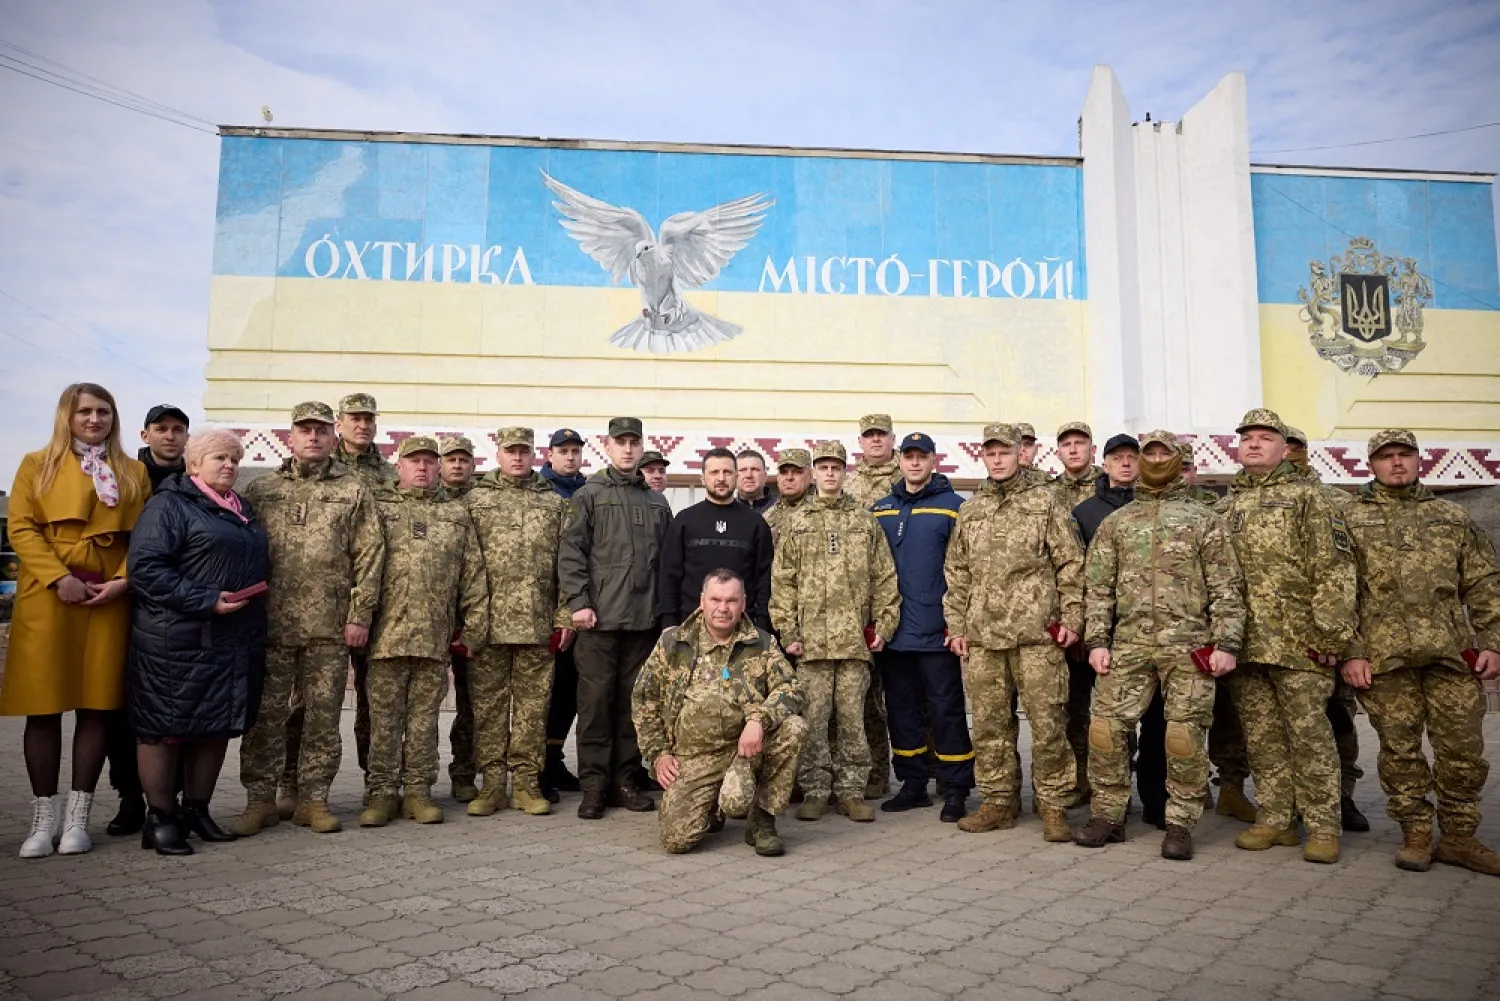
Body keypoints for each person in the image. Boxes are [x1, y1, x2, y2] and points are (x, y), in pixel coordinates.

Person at [1072, 430, 1246, 860]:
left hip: (1189, 646)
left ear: (1177, 459)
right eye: (1147, 453)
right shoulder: (1118, 522)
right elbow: (1097, 589)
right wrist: (1096, 640)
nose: (1152, 459)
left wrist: (1226, 641)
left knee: (1183, 736)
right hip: (1129, 644)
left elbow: (1227, 586)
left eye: (1161, 452)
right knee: (1106, 731)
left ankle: (1180, 823)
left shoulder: (1203, 519)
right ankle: (1108, 816)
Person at [1340, 429, 1500, 875]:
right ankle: (1415, 833)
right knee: (1400, 750)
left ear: (1418, 460)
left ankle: (1459, 837)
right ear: (1369, 465)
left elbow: (1484, 583)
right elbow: (1338, 592)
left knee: (1463, 750)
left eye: (1404, 455)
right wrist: (1352, 652)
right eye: (1386, 457)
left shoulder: (1451, 516)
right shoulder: (1351, 519)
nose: (1396, 463)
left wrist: (1493, 643)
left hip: (1450, 656)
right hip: (1385, 660)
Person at [5, 383, 149, 858]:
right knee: (42, 704)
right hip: (48, 594)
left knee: (97, 705)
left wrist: (124, 581)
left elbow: (144, 537)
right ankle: (42, 820)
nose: (94, 419)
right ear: (66, 415)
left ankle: (77, 821)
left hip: (107, 595)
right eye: (84, 411)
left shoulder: (131, 471)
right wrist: (56, 577)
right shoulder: (36, 463)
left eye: (103, 411)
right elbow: (21, 526)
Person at [231, 402, 385, 837]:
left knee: (322, 718)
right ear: (291, 436)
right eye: (305, 430)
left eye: (320, 429)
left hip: (329, 630)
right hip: (272, 628)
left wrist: (359, 616)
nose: (313, 437)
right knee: (266, 716)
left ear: (332, 435)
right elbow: (243, 556)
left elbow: (369, 556)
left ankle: (314, 800)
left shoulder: (353, 490)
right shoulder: (262, 491)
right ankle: (259, 800)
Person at [1218, 408, 1356, 864]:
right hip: (1247, 644)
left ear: (1283, 447)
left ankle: (1322, 825)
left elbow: (1334, 570)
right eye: (1247, 438)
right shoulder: (1226, 506)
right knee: (1261, 736)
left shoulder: (1310, 499)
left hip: (1301, 645)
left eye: (1265, 437)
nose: (1254, 444)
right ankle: (1276, 819)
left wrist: (1332, 636)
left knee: (1310, 736)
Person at [124, 428, 269, 855]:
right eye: (219, 458)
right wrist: (205, 600)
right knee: (165, 728)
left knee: (214, 727)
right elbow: (146, 569)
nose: (230, 466)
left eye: (234, 459)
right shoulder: (169, 505)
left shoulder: (242, 509)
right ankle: (161, 817)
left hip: (231, 639)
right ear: (193, 465)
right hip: (176, 640)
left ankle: (196, 810)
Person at [943, 422, 1083, 842]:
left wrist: (1072, 619)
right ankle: (999, 801)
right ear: (982, 458)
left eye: (1005, 452)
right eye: (991, 453)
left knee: (1048, 724)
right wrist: (957, 626)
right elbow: (957, 572)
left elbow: (1071, 564)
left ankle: (1054, 804)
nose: (998, 459)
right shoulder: (972, 510)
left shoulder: (1046, 502)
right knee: (989, 725)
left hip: (1037, 637)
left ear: (1021, 453)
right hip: (984, 638)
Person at [359, 437, 488, 828]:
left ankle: (418, 792)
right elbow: (363, 566)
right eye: (414, 461)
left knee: (423, 721)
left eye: (430, 463)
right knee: (383, 722)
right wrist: (359, 618)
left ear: (438, 469)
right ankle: (381, 794)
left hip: (434, 639)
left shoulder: (455, 515)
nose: (422, 468)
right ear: (398, 467)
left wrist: (475, 624)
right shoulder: (379, 510)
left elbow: (473, 574)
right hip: (385, 637)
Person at [633, 569, 809, 856]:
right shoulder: (674, 643)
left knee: (794, 727)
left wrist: (758, 720)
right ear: (702, 601)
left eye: (731, 601)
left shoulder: (762, 643)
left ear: (743, 603)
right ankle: (711, 806)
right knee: (676, 840)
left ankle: (762, 819)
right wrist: (658, 754)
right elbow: (644, 700)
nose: (723, 608)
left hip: (746, 750)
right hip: (693, 756)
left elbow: (791, 688)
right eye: (716, 599)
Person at [770, 440, 900, 823]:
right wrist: (788, 630)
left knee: (852, 719)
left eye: (836, 467)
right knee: (812, 719)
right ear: (814, 474)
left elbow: (884, 579)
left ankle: (851, 790)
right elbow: (783, 583)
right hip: (810, 643)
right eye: (823, 467)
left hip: (853, 642)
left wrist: (884, 626)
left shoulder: (864, 521)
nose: (829, 473)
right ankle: (815, 789)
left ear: (846, 472)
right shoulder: (797, 522)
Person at [558, 417, 673, 819]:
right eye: (620, 442)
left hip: (643, 623)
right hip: (599, 622)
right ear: (606, 446)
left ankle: (625, 779)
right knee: (594, 706)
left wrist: (666, 613)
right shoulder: (590, 495)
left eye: (634, 443)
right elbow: (572, 553)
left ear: (642, 448)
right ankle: (593, 785)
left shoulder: (657, 502)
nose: (627, 449)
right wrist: (579, 603)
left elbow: (668, 563)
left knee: (632, 706)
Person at [464, 427, 574, 818]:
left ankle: (526, 784)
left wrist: (565, 618)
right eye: (510, 451)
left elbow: (567, 565)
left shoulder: (554, 503)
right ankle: (492, 785)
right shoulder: (476, 501)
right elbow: (465, 567)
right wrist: (468, 622)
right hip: (488, 626)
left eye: (524, 452)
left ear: (534, 455)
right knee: (490, 709)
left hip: (536, 625)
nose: (517, 458)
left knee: (532, 710)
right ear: (497, 454)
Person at [870, 432, 973, 822]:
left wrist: (957, 624)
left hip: (937, 633)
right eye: (909, 456)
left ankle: (956, 787)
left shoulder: (954, 508)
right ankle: (913, 784)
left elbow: (964, 571)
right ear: (900, 460)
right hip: (894, 634)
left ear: (934, 460)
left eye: (922, 457)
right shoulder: (880, 509)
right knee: (901, 711)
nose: (914, 463)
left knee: (946, 712)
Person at [105, 402, 192, 836]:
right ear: (145, 435)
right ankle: (128, 797)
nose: (170, 436)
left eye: (178, 429)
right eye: (161, 428)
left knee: (173, 708)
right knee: (124, 709)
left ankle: (169, 799)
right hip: (125, 600)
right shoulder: (122, 477)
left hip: (176, 610)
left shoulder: (193, 482)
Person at [1285, 425, 1369, 833]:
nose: (1288, 454)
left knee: (1337, 718)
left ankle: (1343, 797)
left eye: (1294, 447)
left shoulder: (1337, 501)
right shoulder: (1246, 503)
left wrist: (1346, 642)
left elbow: (1350, 575)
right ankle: (1295, 804)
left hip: (1330, 638)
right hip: (1280, 642)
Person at [1066, 432, 1138, 808]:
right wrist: (1080, 629)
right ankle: (1083, 782)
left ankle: (1127, 788)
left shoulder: (1153, 507)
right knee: (1082, 714)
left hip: (1138, 634)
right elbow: (1074, 573)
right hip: (1093, 633)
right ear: (1105, 464)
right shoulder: (1086, 512)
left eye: (1132, 457)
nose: (1125, 463)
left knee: (1131, 718)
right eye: (1118, 458)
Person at [330, 392, 393, 780]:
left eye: (369, 418)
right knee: (311, 700)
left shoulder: (389, 475)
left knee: (374, 698)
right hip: (328, 597)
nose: (362, 424)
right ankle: (297, 783)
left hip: (377, 600)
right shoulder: (325, 467)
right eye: (354, 418)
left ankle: (375, 778)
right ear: (340, 423)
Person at [845, 415, 901, 796]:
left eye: (882, 435)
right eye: (869, 436)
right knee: (865, 699)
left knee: (904, 694)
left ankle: (918, 771)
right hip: (856, 605)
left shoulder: (908, 474)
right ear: (860, 442)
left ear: (892, 438)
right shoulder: (849, 484)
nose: (876, 441)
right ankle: (872, 774)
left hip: (901, 599)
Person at [659, 448, 774, 632]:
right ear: (703, 478)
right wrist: (669, 622)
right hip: (690, 626)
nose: (721, 478)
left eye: (727, 472)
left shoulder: (755, 523)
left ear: (736, 476)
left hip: (743, 628)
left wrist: (761, 624)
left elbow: (764, 578)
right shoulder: (684, 521)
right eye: (714, 472)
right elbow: (669, 574)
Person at [540, 428, 587, 800]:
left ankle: (553, 759)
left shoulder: (588, 492)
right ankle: (535, 768)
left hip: (577, 608)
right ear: (550, 453)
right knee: (543, 693)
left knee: (568, 691)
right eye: (564, 451)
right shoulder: (540, 491)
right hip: (542, 610)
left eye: (575, 451)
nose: (570, 457)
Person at [437, 434, 479, 801]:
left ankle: (463, 772)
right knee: (423, 703)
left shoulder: (482, 502)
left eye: (463, 459)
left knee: (470, 703)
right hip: (429, 619)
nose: (457, 465)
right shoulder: (424, 501)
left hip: (470, 619)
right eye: (450, 459)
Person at [1051, 421, 1105, 514]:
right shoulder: (1049, 491)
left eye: (1079, 443)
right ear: (1058, 454)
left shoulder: (1109, 486)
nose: (1072, 450)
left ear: (1093, 450)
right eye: (1066, 444)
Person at [763, 448, 812, 546]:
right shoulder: (769, 517)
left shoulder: (824, 510)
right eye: (784, 472)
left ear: (810, 475)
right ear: (778, 477)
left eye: (797, 472)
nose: (789, 478)